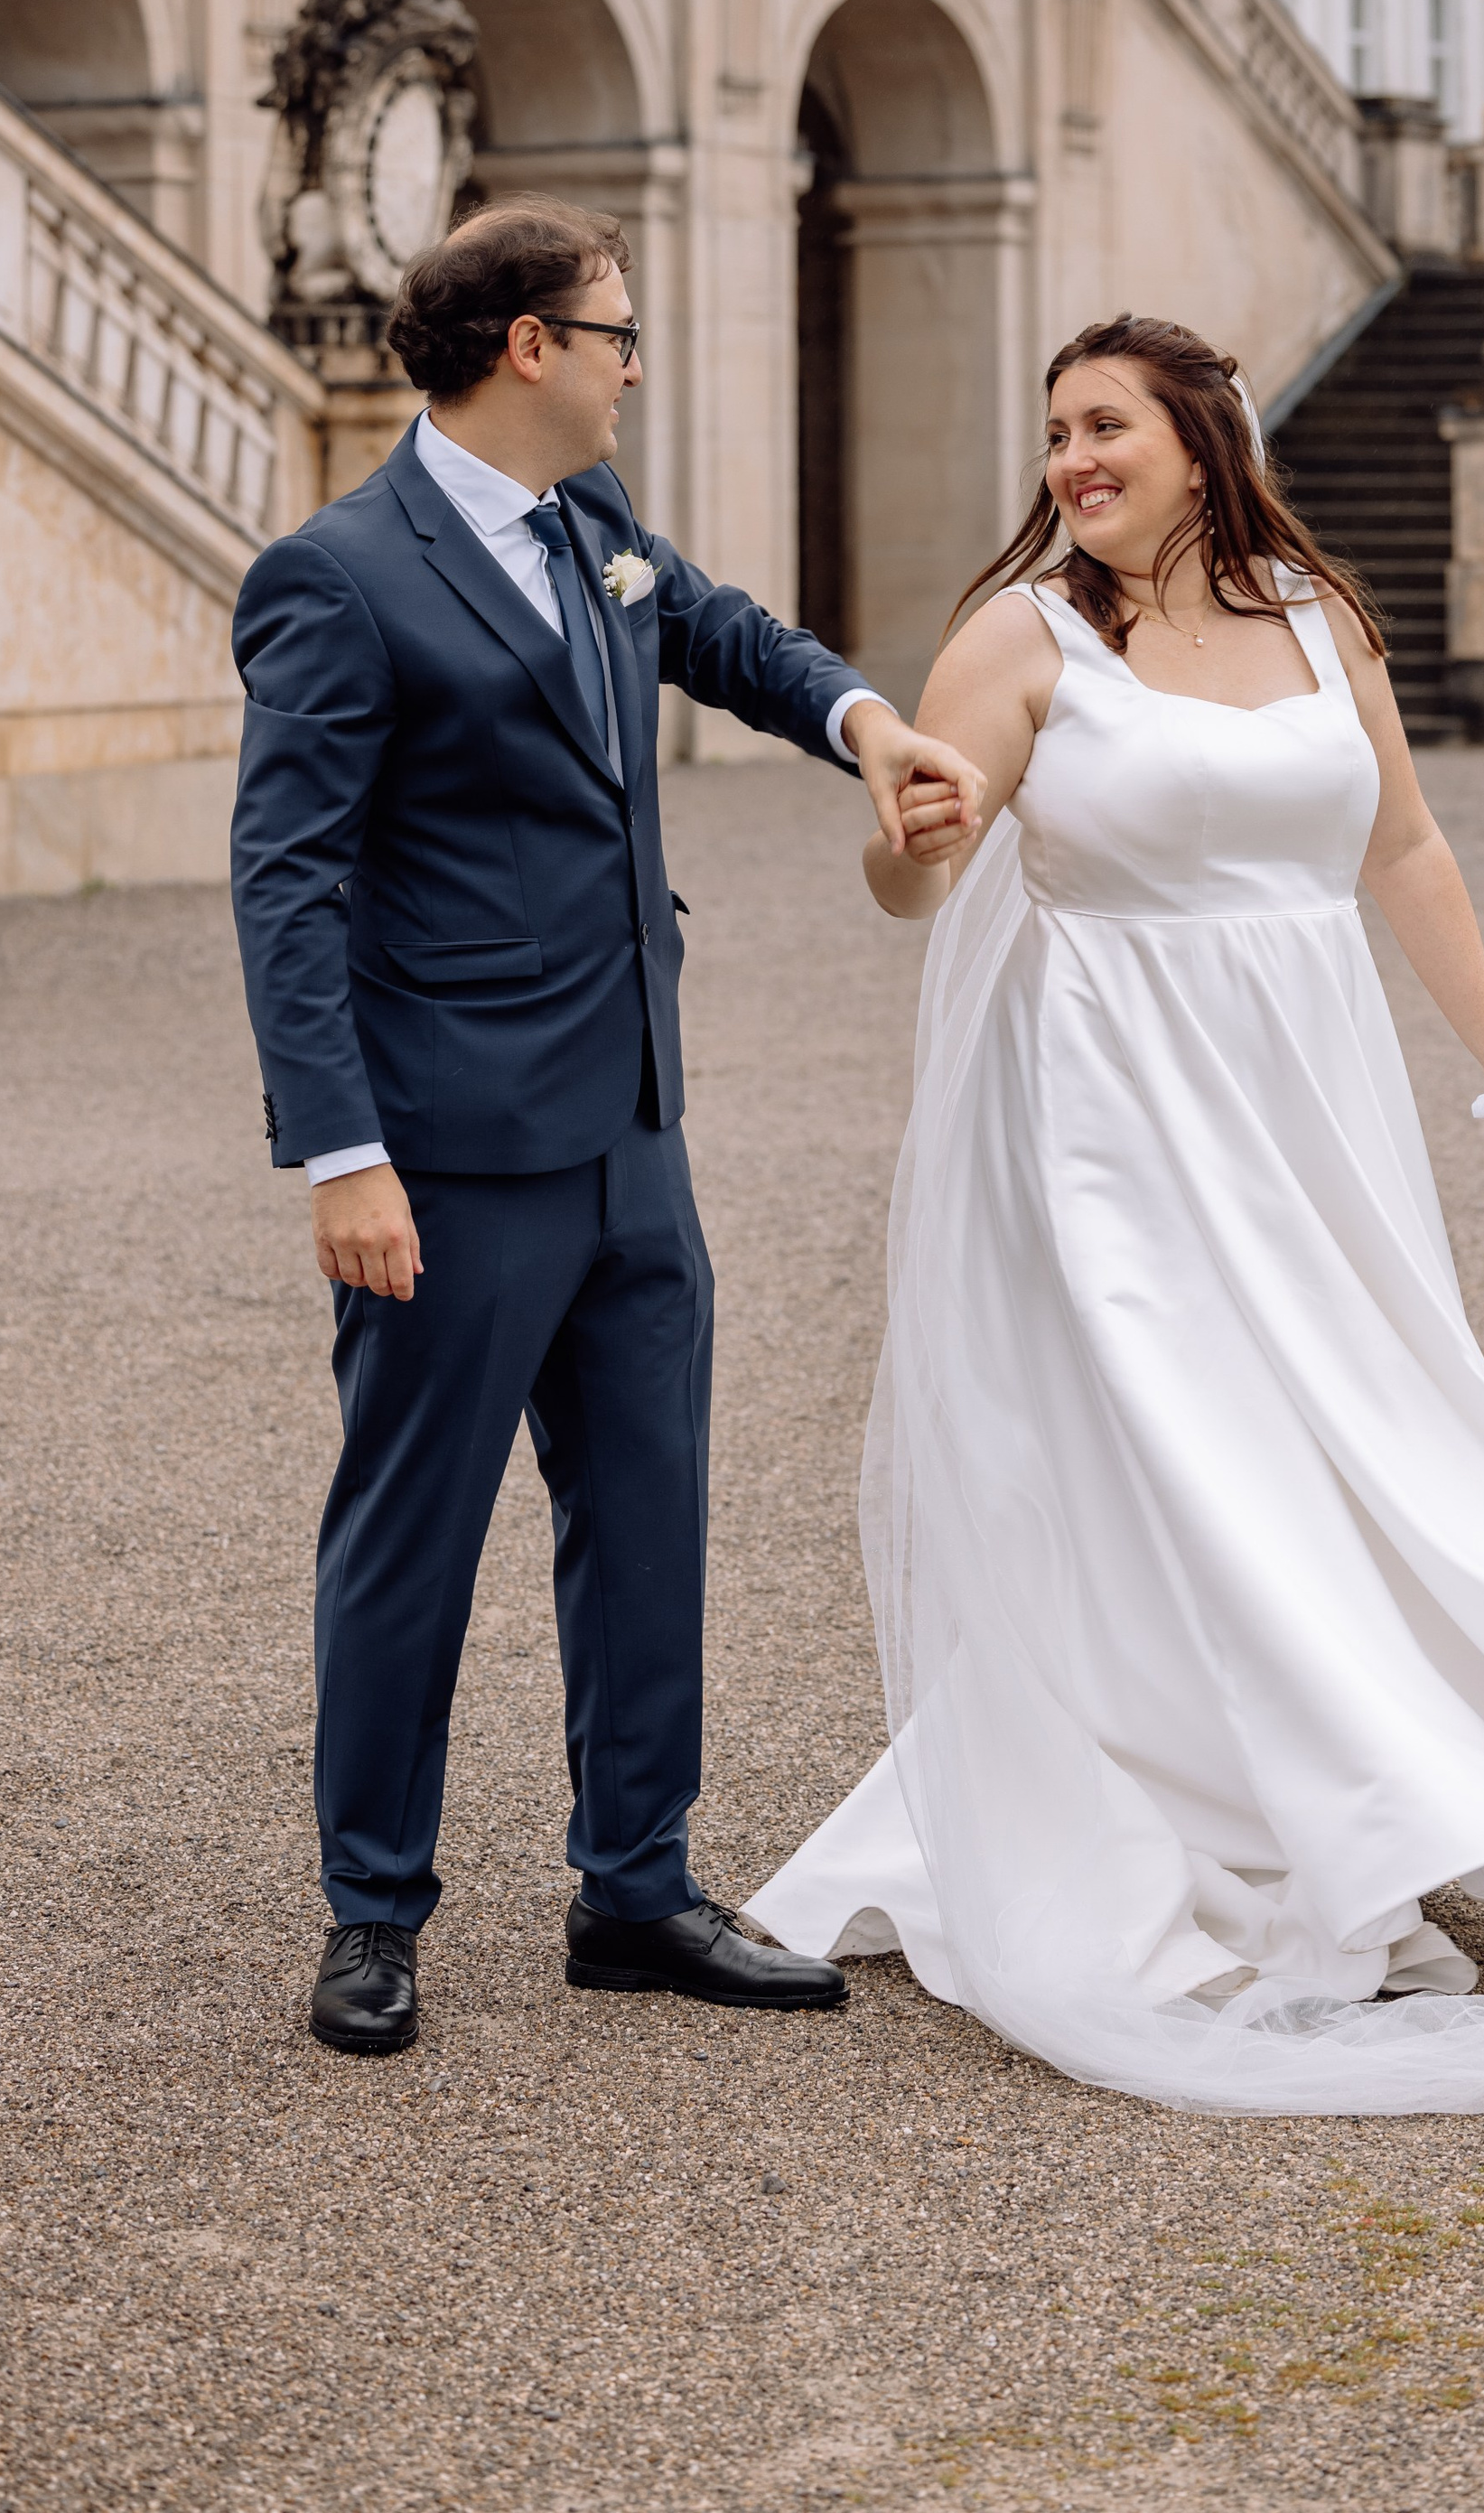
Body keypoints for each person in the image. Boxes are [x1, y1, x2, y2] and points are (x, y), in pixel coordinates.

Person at [753, 316, 1484, 2117]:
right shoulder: (1021, 636)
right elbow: (913, 874)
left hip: (1307, 1103)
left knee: (1353, 1429)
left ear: (1201, 436)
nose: (1070, 458)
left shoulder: (1314, 613)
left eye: (1103, 422)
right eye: (1053, 430)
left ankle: (1380, 1768)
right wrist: (911, 824)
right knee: (1177, 1441)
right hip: (1109, 1113)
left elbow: (1402, 846)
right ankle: (1268, 1820)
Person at [229, 198, 985, 2055]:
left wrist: (865, 723)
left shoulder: (592, 525)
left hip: (631, 1123)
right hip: (447, 1147)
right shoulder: (338, 574)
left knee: (645, 1511)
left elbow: (717, 633)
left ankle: (635, 1882)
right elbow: (285, 880)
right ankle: (370, 1909)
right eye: (617, 329)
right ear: (527, 348)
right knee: (409, 1528)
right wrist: (341, 1153)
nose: (637, 357)